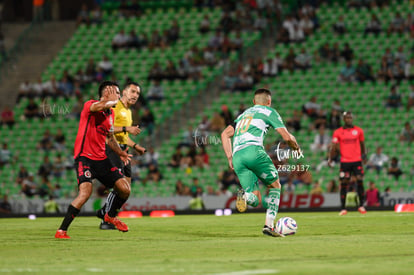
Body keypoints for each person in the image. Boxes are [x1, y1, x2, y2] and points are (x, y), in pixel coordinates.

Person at [55, 81, 132, 239]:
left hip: (102, 159)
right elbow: (97, 107)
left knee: (125, 188)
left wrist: (120, 153)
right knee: (85, 193)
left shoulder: (111, 114)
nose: (119, 96)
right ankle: (61, 230)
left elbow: (110, 138)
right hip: (85, 158)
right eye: (117, 93)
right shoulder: (90, 105)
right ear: (107, 93)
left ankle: (110, 215)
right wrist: (110, 101)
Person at [221, 88, 300, 237]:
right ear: (269, 102)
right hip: (254, 151)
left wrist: (230, 157)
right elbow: (287, 137)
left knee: (255, 199)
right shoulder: (269, 112)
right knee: (275, 185)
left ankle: (245, 196)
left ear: (253, 102)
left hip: (238, 156)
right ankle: (269, 225)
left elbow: (224, 134)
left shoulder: (243, 115)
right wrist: (296, 147)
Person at [96, 81, 146, 230]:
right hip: (112, 149)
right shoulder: (115, 106)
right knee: (120, 186)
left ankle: (105, 212)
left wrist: (136, 146)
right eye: (132, 91)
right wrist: (127, 128)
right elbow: (108, 129)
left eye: (137, 93)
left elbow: (124, 136)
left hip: (124, 151)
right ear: (124, 92)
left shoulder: (128, 112)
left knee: (126, 188)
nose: (135, 95)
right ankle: (107, 218)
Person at [329, 111, 367, 216]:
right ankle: (343, 208)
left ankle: (361, 205)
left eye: (350, 118)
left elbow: (362, 143)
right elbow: (334, 147)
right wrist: (330, 158)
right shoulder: (338, 132)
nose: (349, 119)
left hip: (356, 160)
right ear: (343, 119)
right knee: (344, 183)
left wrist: (364, 156)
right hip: (345, 161)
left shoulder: (358, 131)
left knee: (359, 179)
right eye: (347, 118)